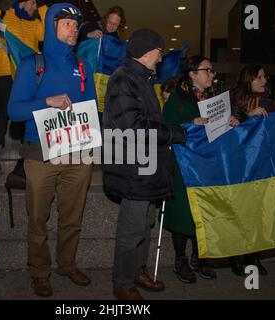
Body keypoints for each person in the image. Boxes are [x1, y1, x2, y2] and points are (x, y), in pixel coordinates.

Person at [7, 3, 97, 298]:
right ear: (52, 27)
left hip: (78, 154)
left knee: (72, 218)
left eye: (76, 25)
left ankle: (67, 264)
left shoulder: (83, 65)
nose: (73, 30)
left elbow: (93, 108)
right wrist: (46, 102)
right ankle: (39, 272)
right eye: (67, 24)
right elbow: (14, 110)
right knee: (37, 220)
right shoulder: (32, 64)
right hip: (40, 155)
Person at [103, 29, 186, 300]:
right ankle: (123, 282)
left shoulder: (139, 79)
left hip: (146, 166)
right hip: (133, 168)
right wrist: (173, 133)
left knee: (145, 223)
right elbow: (135, 128)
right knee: (132, 229)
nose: (161, 59)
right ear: (147, 52)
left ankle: (137, 270)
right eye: (160, 52)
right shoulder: (124, 79)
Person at [162, 56, 239, 284]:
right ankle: (180, 259)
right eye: (207, 70)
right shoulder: (177, 99)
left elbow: (220, 127)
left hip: (206, 165)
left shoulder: (214, 99)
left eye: (212, 70)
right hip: (183, 165)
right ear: (192, 73)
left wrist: (232, 120)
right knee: (183, 212)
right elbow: (165, 128)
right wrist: (189, 125)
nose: (212, 75)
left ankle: (200, 256)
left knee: (202, 211)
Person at [228, 64, 272, 276]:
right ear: (249, 80)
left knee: (258, 211)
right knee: (241, 210)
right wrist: (248, 117)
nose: (264, 81)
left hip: (261, 163)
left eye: (265, 77)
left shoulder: (269, 101)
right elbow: (230, 131)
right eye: (260, 77)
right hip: (240, 164)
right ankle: (237, 258)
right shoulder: (234, 100)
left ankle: (253, 257)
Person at [0, 0, 46, 159]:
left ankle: (27, 155)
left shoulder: (35, 21)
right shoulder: (1, 15)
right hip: (5, 71)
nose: (35, 7)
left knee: (27, 111)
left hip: (27, 74)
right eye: (34, 3)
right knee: (3, 112)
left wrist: (43, 9)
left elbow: (44, 35)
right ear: (23, 2)